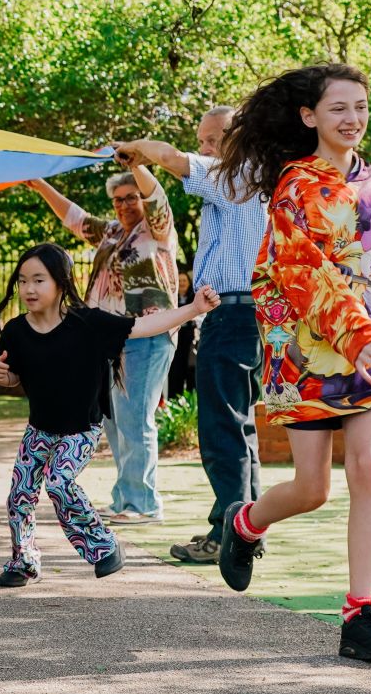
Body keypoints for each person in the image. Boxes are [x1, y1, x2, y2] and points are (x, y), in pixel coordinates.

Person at [212, 63, 371, 663]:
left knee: (366, 467)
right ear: (309, 116)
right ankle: (244, 524)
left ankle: (360, 614)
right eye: (339, 108)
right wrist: (356, 331)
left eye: (361, 107)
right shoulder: (295, 186)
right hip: (308, 349)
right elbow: (299, 272)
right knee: (312, 489)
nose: (353, 119)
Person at [0, 243, 220, 586]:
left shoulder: (87, 323)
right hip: (40, 429)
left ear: (61, 283)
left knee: (60, 482)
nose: (28, 289)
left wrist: (192, 308)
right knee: (19, 494)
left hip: (81, 430)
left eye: (39, 280)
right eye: (22, 281)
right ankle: (24, 562)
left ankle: (105, 546)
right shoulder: (16, 331)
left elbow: (143, 326)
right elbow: (13, 374)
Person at [116, 109, 268, 563]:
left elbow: (172, 158)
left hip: (232, 313)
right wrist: (138, 164)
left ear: (234, 137)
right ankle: (246, 529)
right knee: (240, 428)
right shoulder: (260, 180)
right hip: (253, 315)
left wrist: (138, 149)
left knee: (222, 430)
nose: (202, 149)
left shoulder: (234, 174)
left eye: (209, 140)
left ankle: (228, 534)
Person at [28, 167, 177, 524]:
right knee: (114, 421)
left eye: (131, 197)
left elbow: (157, 198)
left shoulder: (156, 230)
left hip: (147, 333)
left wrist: (138, 164)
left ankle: (143, 503)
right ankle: (126, 498)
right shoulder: (112, 233)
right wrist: (39, 182)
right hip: (110, 340)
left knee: (135, 418)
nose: (125, 204)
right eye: (118, 199)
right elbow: (75, 218)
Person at [166, 273, 197, 398]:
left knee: (191, 371)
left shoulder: (194, 298)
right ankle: (174, 401)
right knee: (175, 372)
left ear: (189, 282)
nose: (182, 283)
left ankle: (191, 403)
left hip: (190, 340)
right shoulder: (171, 299)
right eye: (180, 280)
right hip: (175, 339)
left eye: (184, 280)